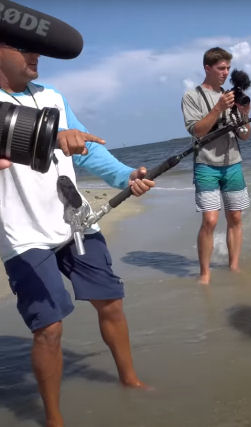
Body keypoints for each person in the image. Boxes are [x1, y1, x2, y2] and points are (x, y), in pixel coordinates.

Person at [0, 42, 155, 426]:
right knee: (49, 328)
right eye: (23, 49)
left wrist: (125, 176)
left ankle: (130, 381)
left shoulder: (52, 95)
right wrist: (53, 136)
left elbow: (86, 149)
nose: (35, 55)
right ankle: (53, 418)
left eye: (37, 49)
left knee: (111, 301)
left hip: (75, 221)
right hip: (22, 233)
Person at [181, 47, 251, 283]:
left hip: (233, 163)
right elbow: (197, 131)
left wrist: (245, 115)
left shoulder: (232, 95)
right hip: (206, 165)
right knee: (210, 220)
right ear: (207, 68)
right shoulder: (192, 97)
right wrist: (218, 108)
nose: (225, 73)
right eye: (221, 68)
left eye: (228, 69)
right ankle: (205, 274)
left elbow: (244, 135)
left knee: (236, 218)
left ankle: (234, 266)